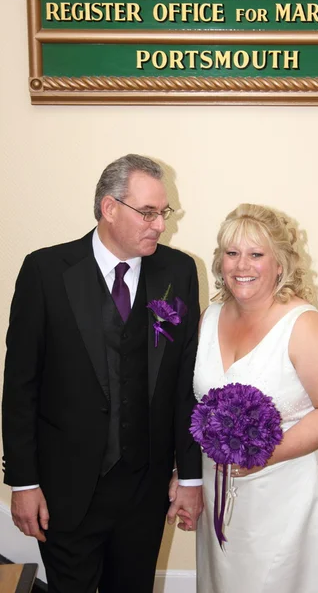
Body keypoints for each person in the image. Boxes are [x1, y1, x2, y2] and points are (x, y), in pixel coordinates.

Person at [2, 153, 203, 593]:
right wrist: (23, 481)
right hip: (64, 490)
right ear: (109, 208)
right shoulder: (45, 272)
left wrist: (189, 477)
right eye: (147, 212)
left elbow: (186, 383)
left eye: (162, 213)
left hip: (145, 489)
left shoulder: (179, 272)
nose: (160, 225)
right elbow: (20, 386)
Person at [193, 203, 318, 593]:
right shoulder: (210, 316)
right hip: (223, 496)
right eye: (232, 253)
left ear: (279, 263)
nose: (241, 265)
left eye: (256, 254)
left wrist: (267, 453)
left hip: (288, 496)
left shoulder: (305, 325)